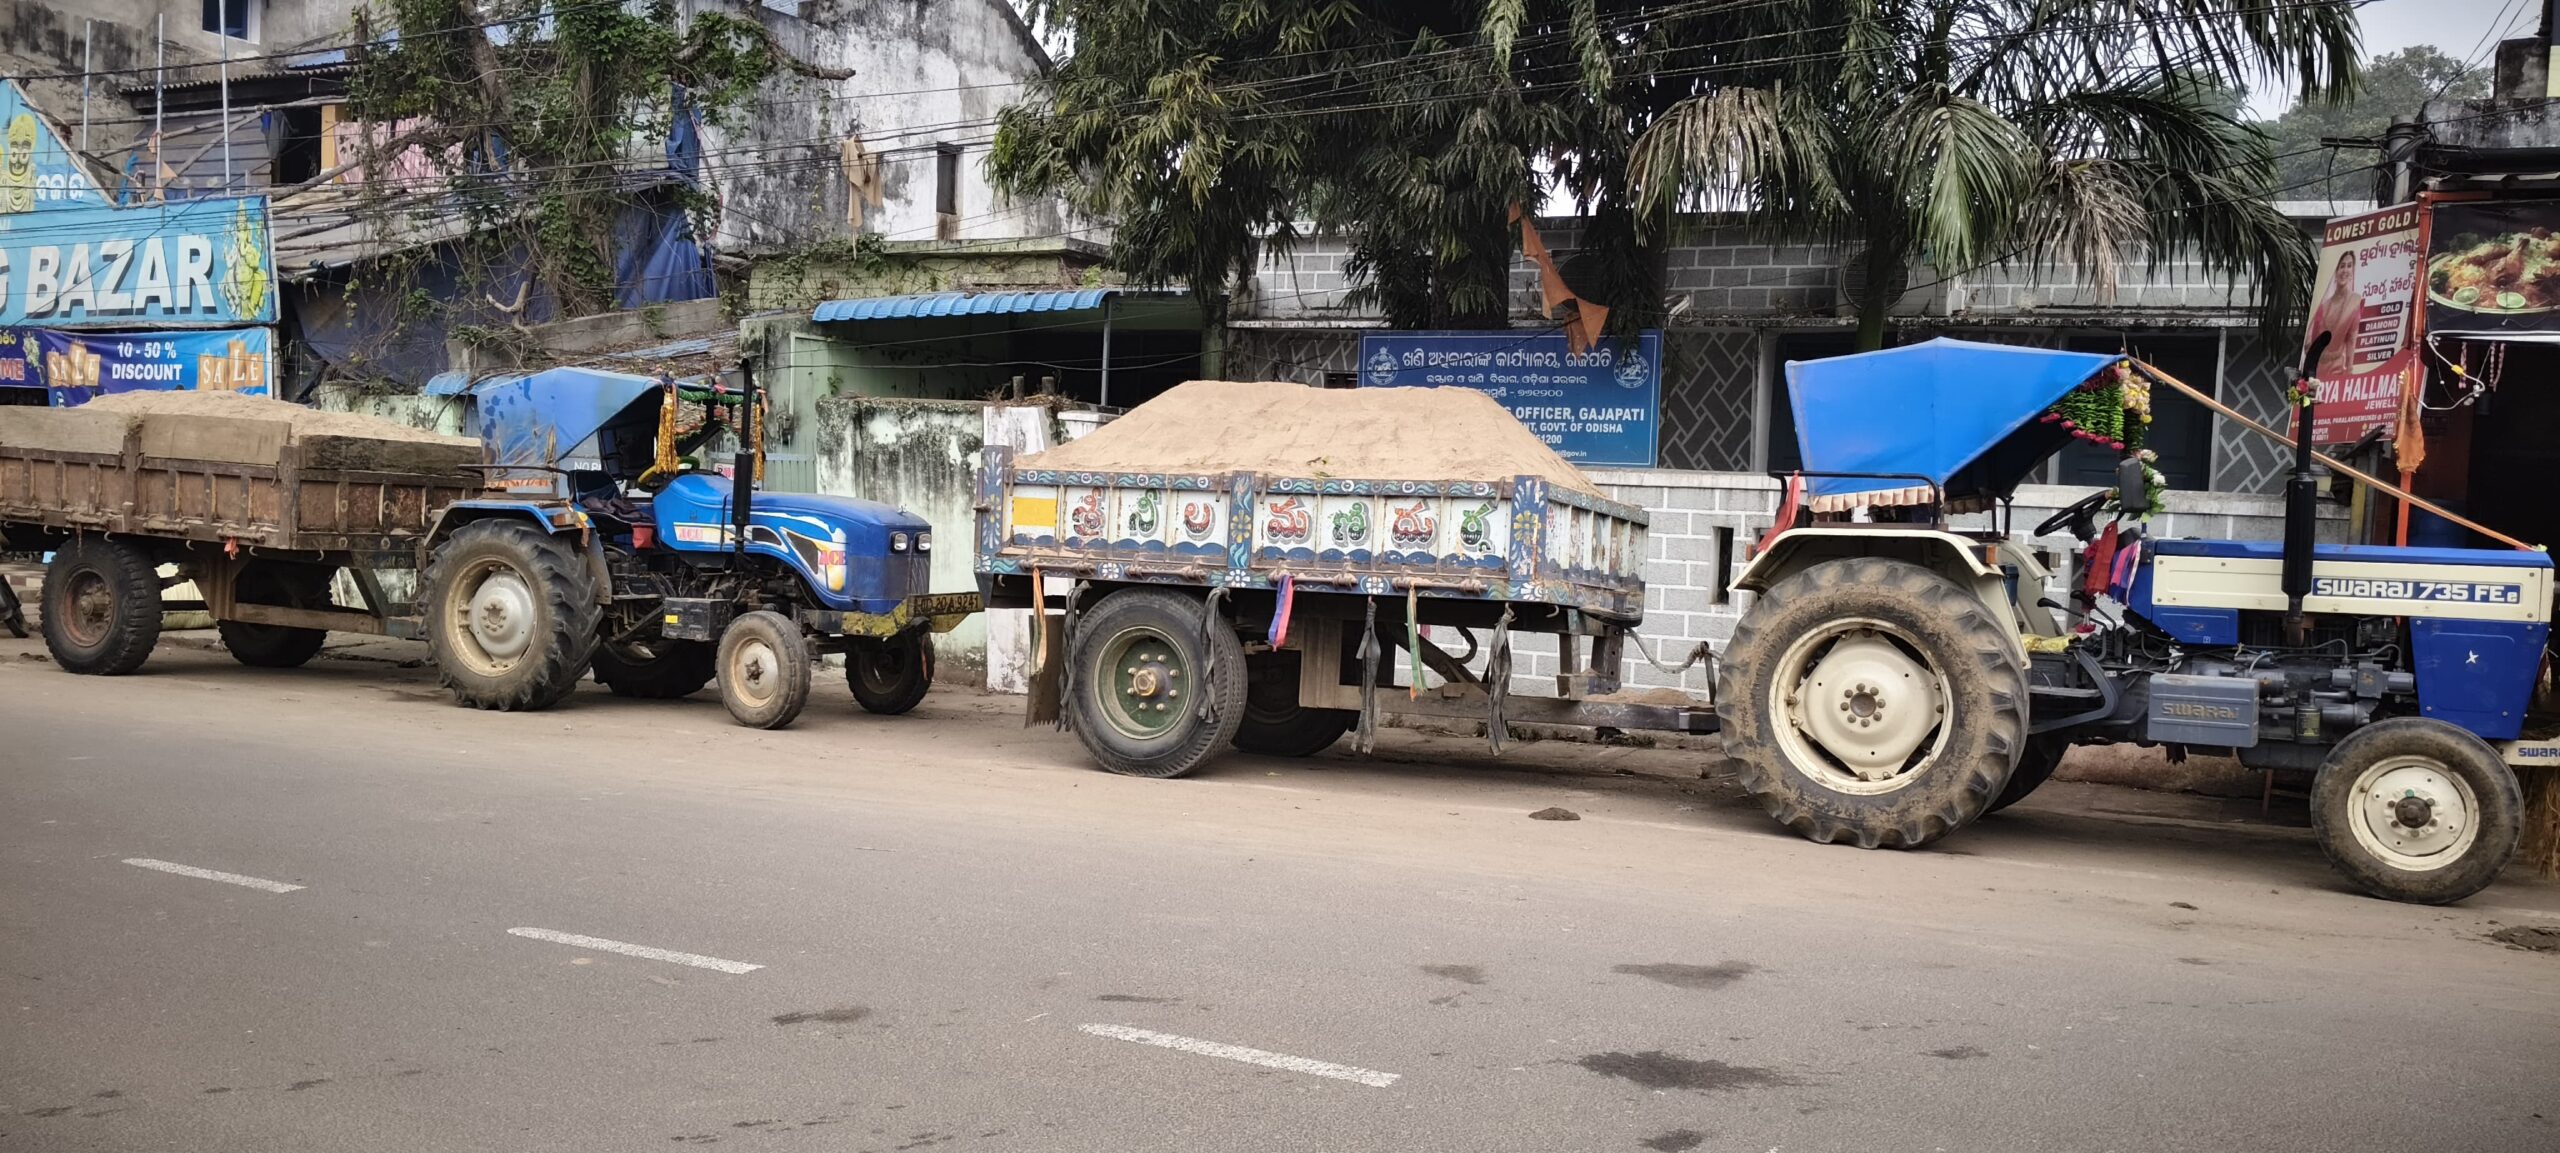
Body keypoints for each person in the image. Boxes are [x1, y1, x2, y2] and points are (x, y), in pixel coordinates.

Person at [2305, 251, 2364, 379]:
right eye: (2342, 266)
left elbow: (2351, 339)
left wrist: (2349, 370)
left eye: (2349, 266)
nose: (2345, 270)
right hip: (2317, 369)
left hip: (2338, 368)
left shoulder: (2355, 301)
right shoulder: (2324, 305)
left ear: (2353, 271)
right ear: (2336, 271)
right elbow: (2310, 340)